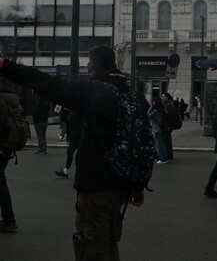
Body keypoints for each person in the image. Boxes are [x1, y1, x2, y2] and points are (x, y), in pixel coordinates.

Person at [0, 45, 146, 259]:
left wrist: (5, 66)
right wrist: (138, 185)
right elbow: (138, 142)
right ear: (114, 64)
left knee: (91, 249)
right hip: (122, 187)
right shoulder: (132, 95)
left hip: (96, 188)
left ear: (90, 67)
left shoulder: (95, 92)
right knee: (109, 244)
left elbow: (46, 83)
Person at [0, 80, 20, 232]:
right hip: (7, 148)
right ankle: (8, 219)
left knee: (0, 183)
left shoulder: (1, 102)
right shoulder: (13, 102)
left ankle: (9, 219)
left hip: (1, 147)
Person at [55, 108, 81, 178]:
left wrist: (69, 137)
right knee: (77, 154)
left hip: (75, 136)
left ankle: (66, 171)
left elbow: (71, 126)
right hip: (78, 135)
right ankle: (77, 172)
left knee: (70, 152)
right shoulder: (77, 112)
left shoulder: (72, 113)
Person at [147, 97, 168, 164]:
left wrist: (150, 107)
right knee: (159, 144)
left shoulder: (156, 111)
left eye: (153, 102)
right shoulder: (161, 110)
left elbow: (148, 115)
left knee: (159, 145)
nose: (152, 103)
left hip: (157, 129)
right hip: (159, 128)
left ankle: (163, 158)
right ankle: (159, 157)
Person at [161, 92, 176, 160]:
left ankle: (168, 155)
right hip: (169, 125)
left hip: (167, 125)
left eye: (163, 96)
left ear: (167, 97)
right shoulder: (169, 104)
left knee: (166, 140)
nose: (162, 97)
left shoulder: (168, 105)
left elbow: (167, 116)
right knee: (167, 140)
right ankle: (169, 154)